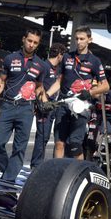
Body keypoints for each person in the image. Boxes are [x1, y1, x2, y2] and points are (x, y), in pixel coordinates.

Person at [0, 27, 48, 182]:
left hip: (26, 109)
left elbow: (39, 87)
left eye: (35, 42)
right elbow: (2, 81)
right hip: (8, 106)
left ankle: (8, 181)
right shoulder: (10, 58)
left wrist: (45, 102)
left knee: (19, 148)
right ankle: (7, 172)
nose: (31, 44)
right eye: (29, 40)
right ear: (24, 39)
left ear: (38, 44)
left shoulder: (41, 65)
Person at [52, 26, 109, 159]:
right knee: (59, 143)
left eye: (82, 39)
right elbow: (58, 82)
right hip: (64, 103)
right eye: (76, 39)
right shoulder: (66, 57)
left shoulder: (94, 61)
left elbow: (105, 86)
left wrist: (89, 93)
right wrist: (47, 97)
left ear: (89, 40)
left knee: (74, 145)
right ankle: (57, 173)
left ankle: (79, 175)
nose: (78, 42)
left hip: (81, 105)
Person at [29, 42, 65, 170]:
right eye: (62, 55)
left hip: (57, 106)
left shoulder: (59, 69)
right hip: (44, 106)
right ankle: (36, 166)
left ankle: (55, 166)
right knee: (42, 137)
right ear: (59, 55)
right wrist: (42, 102)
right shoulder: (44, 66)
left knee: (57, 138)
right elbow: (38, 86)